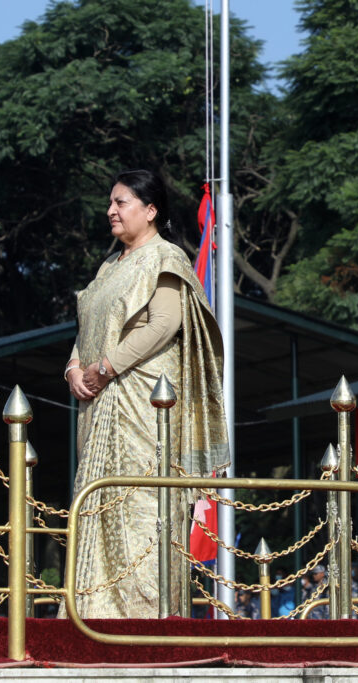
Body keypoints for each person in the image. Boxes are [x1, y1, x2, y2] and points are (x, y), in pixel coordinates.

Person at [61, 169, 229, 618]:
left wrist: (108, 366)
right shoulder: (108, 267)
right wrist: (74, 367)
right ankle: (92, 615)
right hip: (98, 405)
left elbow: (165, 322)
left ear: (151, 211)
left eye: (122, 203)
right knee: (97, 507)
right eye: (111, 203)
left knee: (140, 509)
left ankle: (143, 620)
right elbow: (88, 330)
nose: (111, 211)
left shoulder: (165, 257)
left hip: (143, 404)